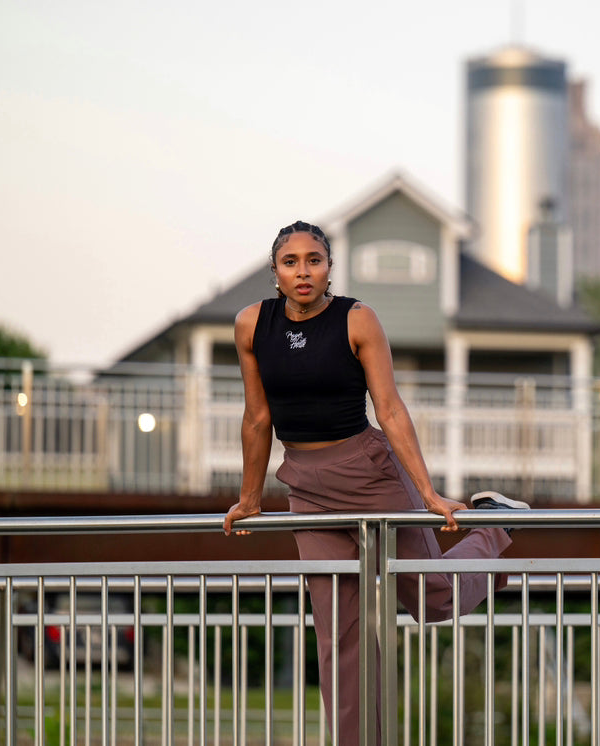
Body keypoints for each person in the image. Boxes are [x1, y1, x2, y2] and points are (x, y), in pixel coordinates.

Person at [222, 220, 528, 744]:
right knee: (339, 636)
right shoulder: (252, 324)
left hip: (368, 472)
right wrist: (250, 499)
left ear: (329, 268)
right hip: (307, 486)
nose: (302, 270)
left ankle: (494, 529)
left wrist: (428, 493)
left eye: (313, 260)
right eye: (290, 261)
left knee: (432, 599)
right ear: (274, 271)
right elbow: (257, 417)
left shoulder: (357, 320)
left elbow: (389, 409)